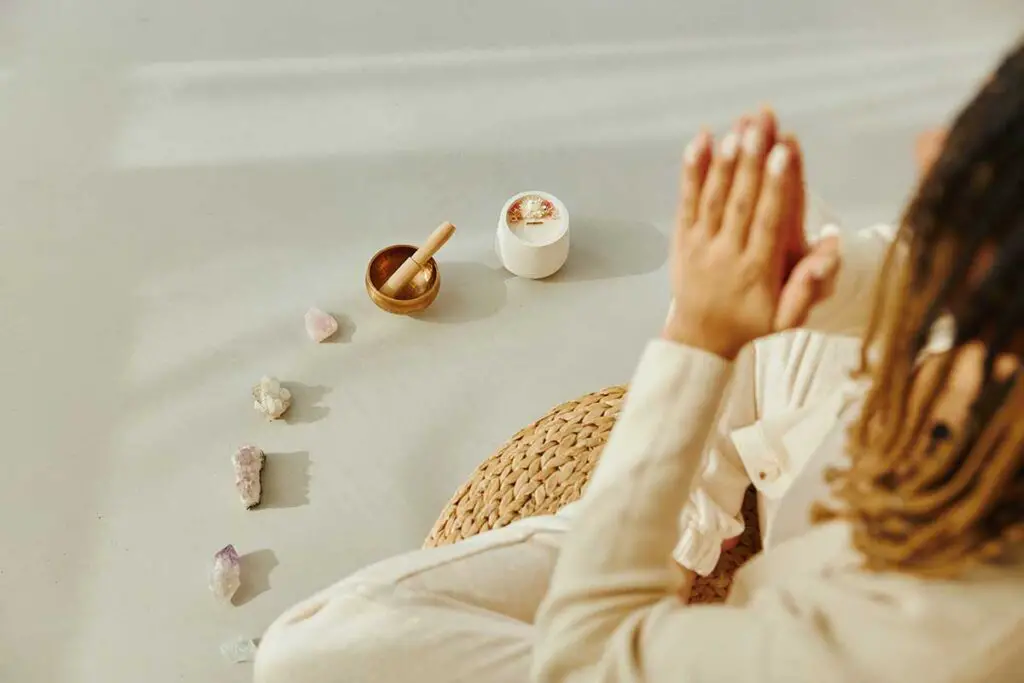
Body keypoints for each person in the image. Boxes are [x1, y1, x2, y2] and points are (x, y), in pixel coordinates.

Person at [255, 42, 1024, 683]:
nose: (931, 143)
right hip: (845, 476)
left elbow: (584, 657)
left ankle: (635, 549)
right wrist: (808, 278)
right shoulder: (999, 358)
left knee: (310, 654)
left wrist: (698, 335)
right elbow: (918, 265)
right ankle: (679, 542)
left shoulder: (935, 635)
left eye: (972, 160)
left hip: (777, 608)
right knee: (774, 237)